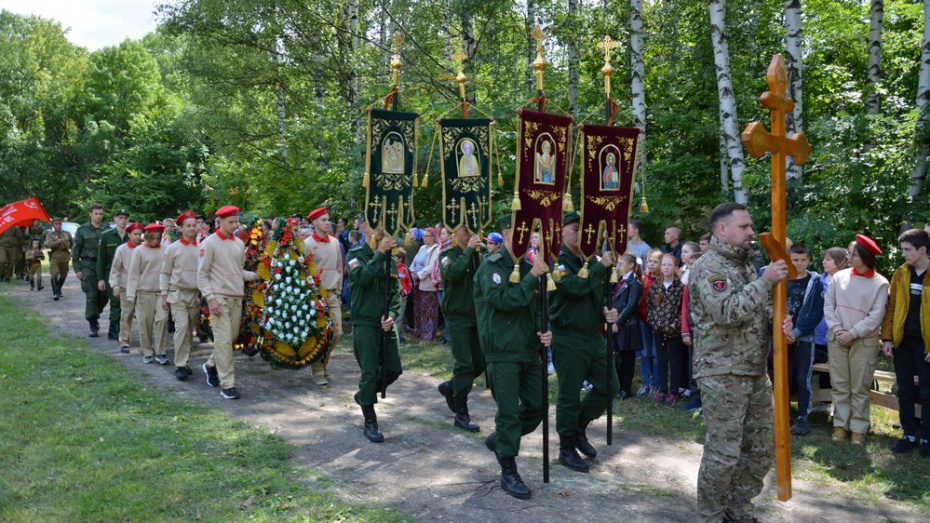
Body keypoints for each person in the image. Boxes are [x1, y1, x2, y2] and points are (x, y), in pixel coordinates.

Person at [690, 202, 788, 523]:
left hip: (754, 370)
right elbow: (726, 312)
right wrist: (766, 281)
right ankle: (711, 515)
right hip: (722, 372)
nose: (751, 232)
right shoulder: (709, 267)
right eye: (744, 227)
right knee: (724, 454)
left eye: (749, 226)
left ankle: (739, 508)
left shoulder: (744, 265)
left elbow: (755, 314)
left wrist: (781, 324)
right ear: (723, 229)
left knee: (762, 447)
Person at [474, 214, 551, 500]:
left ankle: (501, 440)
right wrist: (533, 275)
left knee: (539, 404)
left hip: (528, 349)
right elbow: (505, 300)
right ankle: (509, 471)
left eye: (529, 232)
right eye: (520, 232)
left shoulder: (530, 265)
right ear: (506, 234)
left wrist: (546, 331)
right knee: (508, 413)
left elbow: (540, 306)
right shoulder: (491, 267)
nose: (526, 237)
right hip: (502, 350)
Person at [548, 211, 618, 473]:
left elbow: (595, 295)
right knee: (569, 395)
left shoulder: (589, 260)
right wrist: (600, 267)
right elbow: (574, 288)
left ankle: (578, 426)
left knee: (610, 385)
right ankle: (566, 447)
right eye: (576, 228)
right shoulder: (557, 261)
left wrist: (606, 310)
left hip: (593, 335)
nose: (581, 233)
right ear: (562, 231)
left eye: (584, 228)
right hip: (569, 338)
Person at [824, 234, 889, 445]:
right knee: (840, 384)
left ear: (864, 256)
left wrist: (852, 333)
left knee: (859, 387)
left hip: (864, 342)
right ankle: (841, 425)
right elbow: (828, 306)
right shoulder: (839, 277)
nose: (848, 256)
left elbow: (876, 316)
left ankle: (859, 428)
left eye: (852, 254)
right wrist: (838, 330)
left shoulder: (880, 283)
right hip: (837, 338)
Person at [345, 221, 402, 443]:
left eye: (383, 225)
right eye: (374, 225)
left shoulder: (391, 257)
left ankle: (364, 396)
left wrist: (393, 315)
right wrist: (379, 253)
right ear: (364, 230)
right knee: (369, 372)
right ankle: (370, 420)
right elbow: (363, 278)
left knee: (393, 369)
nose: (380, 229)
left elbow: (396, 292)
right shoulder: (355, 255)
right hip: (365, 323)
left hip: (385, 323)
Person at [198, 206, 259, 400]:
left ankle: (210, 365)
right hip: (219, 297)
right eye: (231, 222)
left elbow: (238, 271)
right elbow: (202, 274)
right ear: (220, 222)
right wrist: (211, 298)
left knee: (230, 339)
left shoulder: (239, 244)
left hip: (236, 297)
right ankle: (228, 384)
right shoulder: (209, 244)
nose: (235, 225)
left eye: (236, 221)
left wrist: (256, 276)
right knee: (224, 341)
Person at [879, 229, 930, 455]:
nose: (903, 254)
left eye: (907, 250)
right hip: (902, 343)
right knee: (906, 390)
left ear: (923, 250)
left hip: (926, 346)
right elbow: (891, 307)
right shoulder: (901, 273)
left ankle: (927, 438)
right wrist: (887, 338)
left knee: (928, 393)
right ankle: (909, 434)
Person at [436, 225, 486, 433]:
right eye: (466, 230)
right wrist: (468, 251)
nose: (471, 234)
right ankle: (462, 413)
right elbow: (453, 273)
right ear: (456, 233)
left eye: (473, 230)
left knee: (481, 362)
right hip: (457, 316)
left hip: (476, 315)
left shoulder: (478, 256)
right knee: (464, 364)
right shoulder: (447, 254)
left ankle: (451, 387)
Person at [781, 245, 822, 436]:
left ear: (808, 260)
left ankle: (803, 417)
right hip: (781, 335)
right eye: (795, 260)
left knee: (803, 377)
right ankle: (783, 412)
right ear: (789, 259)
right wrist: (784, 331)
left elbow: (816, 312)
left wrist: (796, 332)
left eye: (802, 260)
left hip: (804, 337)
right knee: (784, 376)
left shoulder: (815, 282)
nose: (799, 263)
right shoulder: (781, 279)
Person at [303, 206, 345, 386]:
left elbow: (339, 268)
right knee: (319, 334)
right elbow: (303, 272)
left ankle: (321, 364)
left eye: (328, 220)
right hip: (315, 296)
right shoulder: (307, 244)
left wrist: (339, 290)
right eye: (323, 220)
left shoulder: (335, 243)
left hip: (332, 294)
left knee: (336, 333)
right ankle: (318, 370)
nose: (327, 223)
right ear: (314, 223)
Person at [161, 212, 202, 380]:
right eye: (188, 225)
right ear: (181, 228)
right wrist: (164, 294)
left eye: (194, 225)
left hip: (194, 294)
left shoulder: (201, 248)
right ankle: (180, 364)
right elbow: (165, 273)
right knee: (182, 328)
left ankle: (185, 361)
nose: (192, 228)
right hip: (177, 293)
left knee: (190, 330)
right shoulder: (173, 248)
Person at [127, 223, 169, 365]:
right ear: (148, 237)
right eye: (154, 238)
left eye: (159, 238)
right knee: (145, 322)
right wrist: (131, 294)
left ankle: (161, 351)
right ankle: (147, 350)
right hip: (144, 292)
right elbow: (133, 274)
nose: (156, 241)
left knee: (162, 320)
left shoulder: (166, 250)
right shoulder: (139, 251)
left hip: (161, 292)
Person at [647, 254, 685, 405]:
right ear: (660, 267)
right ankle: (663, 390)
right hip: (658, 329)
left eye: (670, 265)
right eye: (664, 265)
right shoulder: (656, 285)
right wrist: (654, 323)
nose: (666, 267)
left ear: (675, 268)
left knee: (674, 361)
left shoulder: (680, 287)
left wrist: (673, 325)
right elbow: (650, 307)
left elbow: (683, 310)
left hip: (674, 330)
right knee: (661, 360)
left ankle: (674, 391)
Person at [73, 204, 109, 337]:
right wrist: (77, 268)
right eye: (96, 213)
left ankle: (95, 312)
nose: (99, 216)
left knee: (104, 295)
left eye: (100, 214)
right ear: (90, 214)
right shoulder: (82, 230)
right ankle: (93, 323)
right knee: (91, 294)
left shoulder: (107, 230)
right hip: (88, 265)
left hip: (103, 265)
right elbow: (76, 250)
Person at [612, 254, 644, 400]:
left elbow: (631, 305)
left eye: (621, 263)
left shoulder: (635, 283)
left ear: (631, 265)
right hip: (617, 323)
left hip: (627, 325)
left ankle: (626, 388)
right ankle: (617, 386)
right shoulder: (620, 280)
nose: (618, 266)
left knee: (627, 358)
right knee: (617, 355)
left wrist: (618, 322)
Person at [109, 223, 143, 353]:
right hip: (125, 287)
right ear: (129, 235)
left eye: (140, 234)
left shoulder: (145, 248)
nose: (138, 237)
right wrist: (115, 285)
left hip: (142, 288)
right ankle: (124, 340)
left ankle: (145, 342)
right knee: (126, 314)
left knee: (143, 316)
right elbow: (115, 269)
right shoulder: (122, 249)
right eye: (135, 234)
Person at [97, 208, 130, 340]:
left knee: (126, 303)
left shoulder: (132, 235)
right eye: (120, 218)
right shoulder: (106, 236)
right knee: (115, 301)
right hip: (111, 274)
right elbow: (101, 259)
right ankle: (114, 329)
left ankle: (122, 328)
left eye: (125, 218)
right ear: (115, 219)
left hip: (127, 274)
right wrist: (100, 279)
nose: (123, 220)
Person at [637, 249, 663, 396]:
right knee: (645, 353)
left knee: (655, 354)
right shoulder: (644, 278)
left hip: (657, 322)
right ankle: (645, 383)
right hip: (644, 320)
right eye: (650, 261)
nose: (651, 264)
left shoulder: (662, 280)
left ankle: (656, 384)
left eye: (655, 262)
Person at [412, 227, 441, 340]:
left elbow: (431, 267)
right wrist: (412, 273)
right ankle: (418, 331)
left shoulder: (436, 249)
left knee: (428, 310)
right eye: (423, 236)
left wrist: (418, 275)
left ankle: (428, 334)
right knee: (418, 308)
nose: (423, 238)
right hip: (417, 282)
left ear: (433, 238)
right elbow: (414, 262)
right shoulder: (422, 247)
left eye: (426, 236)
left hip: (427, 283)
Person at [45, 218, 73, 300]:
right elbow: (49, 244)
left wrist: (72, 252)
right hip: (55, 255)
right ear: (53, 225)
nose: (58, 226)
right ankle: (55, 293)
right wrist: (58, 242)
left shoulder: (66, 233)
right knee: (54, 273)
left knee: (64, 274)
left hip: (65, 255)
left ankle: (58, 288)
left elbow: (72, 243)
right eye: (56, 224)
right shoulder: (50, 234)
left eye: (59, 224)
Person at [395, 248, 413, 344]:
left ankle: (395, 339)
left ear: (400, 259)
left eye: (395, 257)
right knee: (397, 318)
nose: (392, 258)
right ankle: (402, 338)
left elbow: (410, 284)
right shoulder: (392, 268)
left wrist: (405, 292)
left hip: (402, 297)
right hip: (393, 297)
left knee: (398, 318)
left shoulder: (405, 270)